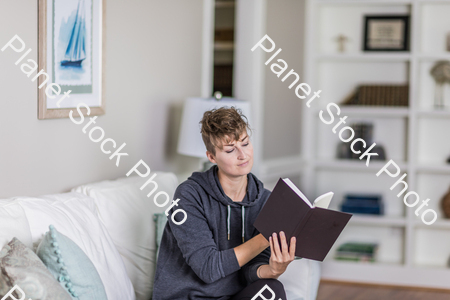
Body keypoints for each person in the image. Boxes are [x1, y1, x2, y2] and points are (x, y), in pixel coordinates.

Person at [152, 107, 296, 300]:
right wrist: (266, 237)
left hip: (231, 297)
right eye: (230, 150)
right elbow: (208, 269)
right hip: (186, 297)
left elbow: (250, 272)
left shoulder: (265, 201)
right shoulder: (188, 196)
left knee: (272, 289)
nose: (242, 155)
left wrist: (273, 269)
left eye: (245, 143)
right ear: (212, 157)